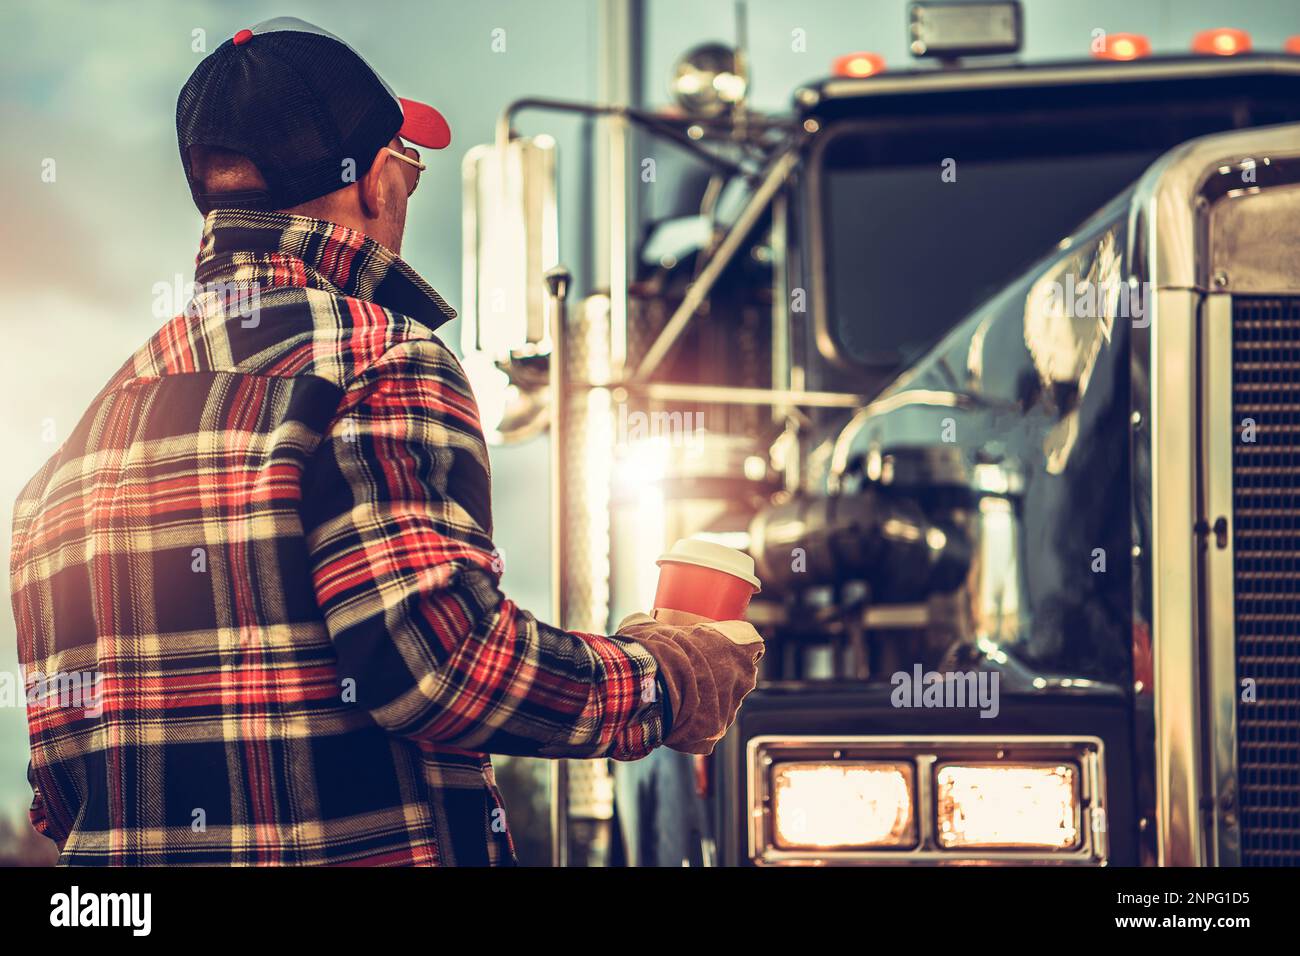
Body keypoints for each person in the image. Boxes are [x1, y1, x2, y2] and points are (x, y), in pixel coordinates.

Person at [8, 16, 762, 866]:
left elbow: (59, 795)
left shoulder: (73, 452)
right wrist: (667, 679)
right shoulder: (381, 360)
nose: (406, 189)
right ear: (372, 182)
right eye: (410, 165)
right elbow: (440, 667)